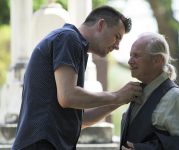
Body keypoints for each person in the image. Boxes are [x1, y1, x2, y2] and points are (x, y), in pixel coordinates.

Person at [12, 6, 143, 150]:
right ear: (101, 25)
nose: (117, 46)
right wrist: (116, 95)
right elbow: (67, 97)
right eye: (117, 37)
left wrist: (120, 100)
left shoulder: (74, 45)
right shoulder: (69, 38)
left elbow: (81, 120)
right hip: (41, 144)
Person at [120, 32, 179, 150]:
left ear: (158, 60)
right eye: (130, 55)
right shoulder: (137, 92)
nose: (130, 61)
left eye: (136, 56)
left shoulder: (175, 97)